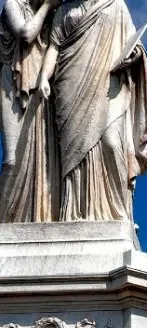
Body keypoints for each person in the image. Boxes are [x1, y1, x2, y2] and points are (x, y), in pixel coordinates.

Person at [38, 0, 147, 221]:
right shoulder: (64, 11)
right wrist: (44, 78)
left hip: (109, 83)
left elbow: (135, 43)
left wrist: (135, 55)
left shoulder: (116, 5)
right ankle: (74, 212)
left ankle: (116, 212)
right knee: (74, 151)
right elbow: (54, 47)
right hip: (71, 84)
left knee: (112, 143)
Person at [0, 0, 60, 221]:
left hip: (40, 88)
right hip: (11, 84)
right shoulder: (11, 5)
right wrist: (47, 7)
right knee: (12, 160)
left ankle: (35, 217)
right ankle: (3, 221)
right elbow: (26, 35)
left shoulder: (53, 15)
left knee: (40, 158)